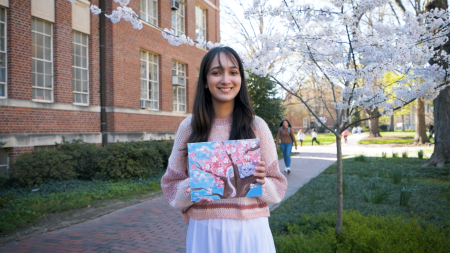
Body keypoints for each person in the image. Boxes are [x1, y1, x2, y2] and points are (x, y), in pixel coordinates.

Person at [160, 47, 287, 253]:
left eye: (233, 72)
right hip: (205, 231)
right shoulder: (189, 127)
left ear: (241, 79)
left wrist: (261, 182)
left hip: (251, 231)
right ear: (205, 80)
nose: (225, 80)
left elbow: (278, 190)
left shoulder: (257, 126)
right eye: (216, 72)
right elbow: (170, 187)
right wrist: (194, 185)